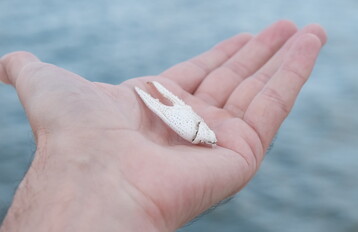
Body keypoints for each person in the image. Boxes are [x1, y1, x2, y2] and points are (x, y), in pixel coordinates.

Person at [0, 20, 326, 232]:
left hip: (197, 132)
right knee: (157, 99)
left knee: (160, 101)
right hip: (194, 131)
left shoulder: (201, 134)